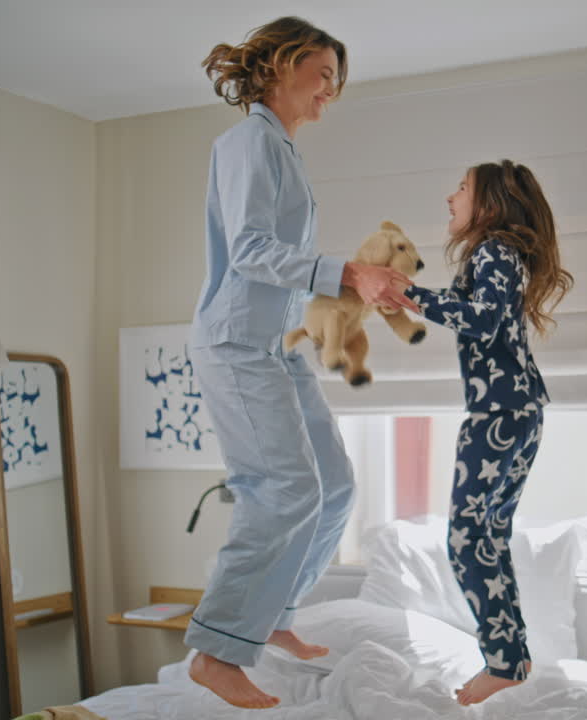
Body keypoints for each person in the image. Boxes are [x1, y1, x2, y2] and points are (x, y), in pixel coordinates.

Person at [185, 16, 418, 710]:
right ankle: (217, 652)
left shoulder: (282, 149)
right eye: (323, 75)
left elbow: (283, 262)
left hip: (275, 345)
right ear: (283, 66)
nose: (329, 91)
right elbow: (253, 249)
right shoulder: (248, 143)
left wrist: (360, 281)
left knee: (335, 488)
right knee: (283, 490)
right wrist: (345, 271)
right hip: (235, 342)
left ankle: (270, 618)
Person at [403, 160, 573, 705]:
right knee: (487, 537)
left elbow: (481, 319)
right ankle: (509, 659)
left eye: (461, 188)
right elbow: (487, 316)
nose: (450, 197)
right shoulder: (502, 253)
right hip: (516, 409)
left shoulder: (494, 250)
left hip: (500, 413)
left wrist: (413, 297)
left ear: (490, 205)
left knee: (466, 540)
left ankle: (504, 660)